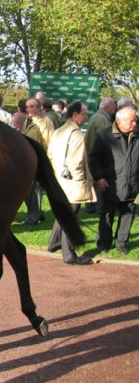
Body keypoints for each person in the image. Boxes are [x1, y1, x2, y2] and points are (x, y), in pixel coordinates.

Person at [47, 101, 95, 265]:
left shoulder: (59, 131)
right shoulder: (76, 134)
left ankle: (53, 243)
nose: (86, 117)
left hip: (60, 179)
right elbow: (76, 162)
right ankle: (69, 255)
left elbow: (50, 154)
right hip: (73, 182)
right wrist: (82, 182)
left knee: (63, 213)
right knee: (70, 218)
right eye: (84, 114)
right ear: (75, 115)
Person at [89, 106, 139, 255]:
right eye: (131, 121)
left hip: (133, 183)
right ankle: (103, 242)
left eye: (135, 120)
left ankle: (122, 242)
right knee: (107, 215)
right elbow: (94, 158)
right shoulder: (104, 135)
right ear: (119, 121)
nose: (135, 124)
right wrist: (99, 177)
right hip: (110, 183)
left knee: (128, 214)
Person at [84, 97, 117, 214]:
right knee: (99, 182)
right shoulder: (102, 119)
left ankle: (91, 207)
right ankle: (99, 208)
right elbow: (106, 140)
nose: (114, 110)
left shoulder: (96, 116)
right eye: (113, 106)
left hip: (92, 154)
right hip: (98, 156)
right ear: (107, 107)